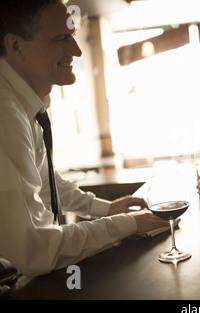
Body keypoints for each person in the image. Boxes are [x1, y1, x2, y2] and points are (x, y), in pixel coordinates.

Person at [0, 0, 168, 277]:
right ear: (15, 46)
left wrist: (106, 208)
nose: (77, 50)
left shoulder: (30, 101)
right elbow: (37, 249)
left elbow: (44, 181)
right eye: (61, 38)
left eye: (74, 36)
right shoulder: (6, 115)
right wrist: (129, 224)